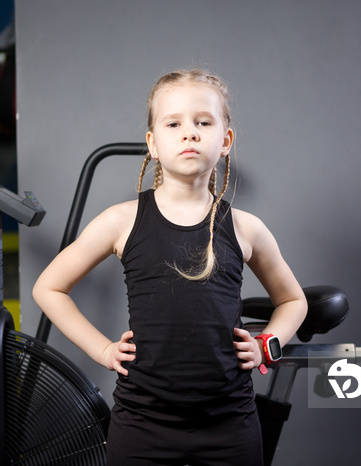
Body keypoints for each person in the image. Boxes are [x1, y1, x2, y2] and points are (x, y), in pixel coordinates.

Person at [32, 69, 307, 465]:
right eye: (174, 123)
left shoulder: (247, 228)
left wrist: (268, 345)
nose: (190, 132)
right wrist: (104, 350)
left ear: (225, 141)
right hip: (143, 424)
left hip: (229, 423)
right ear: (153, 144)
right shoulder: (120, 221)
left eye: (204, 122)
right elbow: (49, 288)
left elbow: (293, 301)